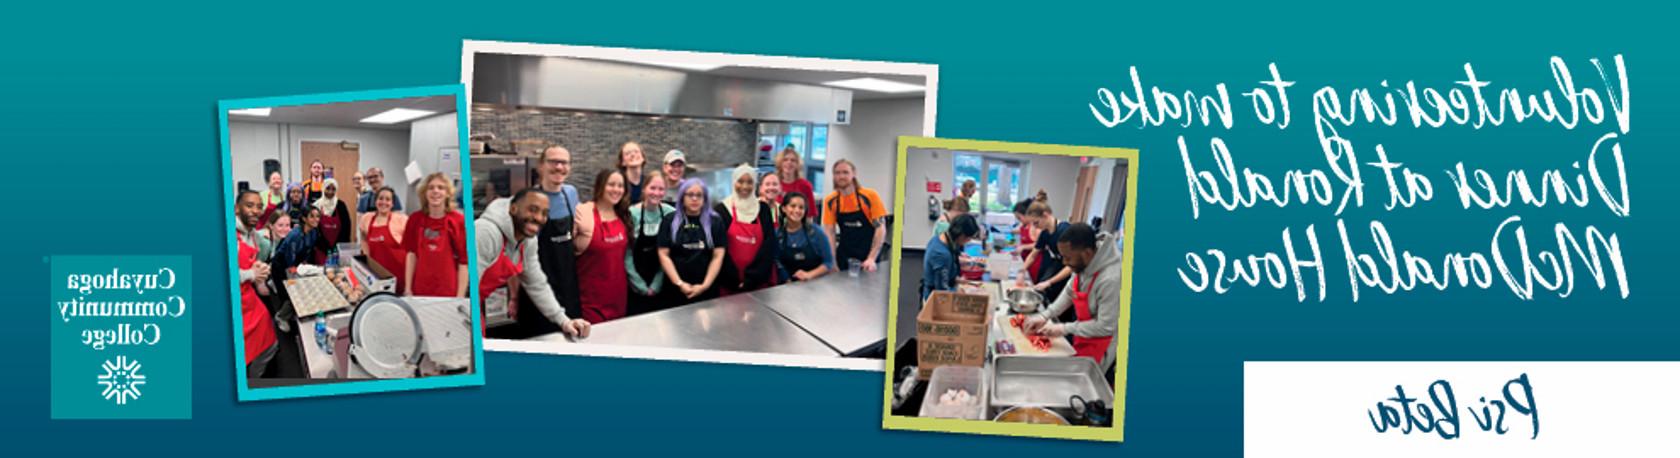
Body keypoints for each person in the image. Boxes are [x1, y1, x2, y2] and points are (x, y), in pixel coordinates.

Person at [476, 189, 592, 339]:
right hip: (457, 304)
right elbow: (469, 286)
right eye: (532, 210)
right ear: (513, 209)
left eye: (544, 213)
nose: (538, 218)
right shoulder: (486, 232)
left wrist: (564, 321)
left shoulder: (528, 241)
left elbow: (537, 284)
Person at [1023, 223, 1122, 368]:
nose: (1064, 262)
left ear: (1087, 253)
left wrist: (1063, 328)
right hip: (1083, 334)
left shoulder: (1111, 278)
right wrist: (1045, 315)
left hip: (1102, 344)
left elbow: (1105, 327)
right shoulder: (1084, 263)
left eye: (1067, 257)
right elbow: (1070, 291)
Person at [573, 169, 631, 323]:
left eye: (620, 186)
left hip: (618, 298)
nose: (616, 189)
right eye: (611, 184)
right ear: (600, 186)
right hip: (590, 301)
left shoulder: (623, 214)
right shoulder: (583, 212)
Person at [657, 178, 728, 304]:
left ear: (705, 199)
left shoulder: (715, 222)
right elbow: (663, 254)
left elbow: (718, 256)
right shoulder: (669, 221)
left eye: (699, 195)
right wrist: (680, 283)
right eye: (690, 195)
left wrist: (705, 286)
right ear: (682, 198)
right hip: (675, 291)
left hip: (707, 290)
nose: (694, 199)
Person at [533, 145, 584, 320]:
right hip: (541, 286)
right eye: (553, 162)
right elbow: (518, 253)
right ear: (541, 166)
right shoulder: (530, 199)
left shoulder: (571, 193)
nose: (559, 167)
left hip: (569, 282)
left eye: (564, 163)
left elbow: (576, 230)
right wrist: (514, 296)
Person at [234, 190, 279, 378]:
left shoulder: (252, 235)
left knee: (270, 342)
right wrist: (251, 274)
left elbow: (246, 261)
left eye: (259, 206)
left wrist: (257, 267)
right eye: (249, 205)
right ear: (237, 209)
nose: (255, 211)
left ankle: (253, 380)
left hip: (247, 296)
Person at [404, 173, 468, 298]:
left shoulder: (458, 221)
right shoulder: (415, 219)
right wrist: (408, 288)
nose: (435, 191)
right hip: (420, 289)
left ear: (448, 193)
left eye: (441, 187)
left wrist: (459, 298)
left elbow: (464, 262)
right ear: (424, 193)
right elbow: (411, 255)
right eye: (431, 188)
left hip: (448, 290)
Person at [718, 164, 777, 293]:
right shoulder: (722, 210)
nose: (745, 186)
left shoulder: (763, 209)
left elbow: (769, 247)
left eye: (749, 182)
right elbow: (719, 250)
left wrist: (752, 278)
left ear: (755, 184)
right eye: (740, 181)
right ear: (734, 182)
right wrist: (735, 280)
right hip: (729, 285)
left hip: (758, 284)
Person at [821, 159, 888, 272]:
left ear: (854, 174)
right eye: (837, 173)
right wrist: (832, 262)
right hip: (844, 255)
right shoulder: (831, 201)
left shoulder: (870, 196)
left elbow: (880, 228)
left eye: (845, 172)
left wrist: (871, 258)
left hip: (868, 256)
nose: (841, 176)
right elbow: (830, 233)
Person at [626, 170, 675, 315]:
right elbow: (627, 254)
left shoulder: (670, 213)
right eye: (652, 188)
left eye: (661, 189)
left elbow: (668, 253)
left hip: (660, 283)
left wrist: (656, 285)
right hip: (635, 284)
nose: (656, 193)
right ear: (644, 189)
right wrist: (639, 285)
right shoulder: (631, 214)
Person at [1021, 201, 1074, 311]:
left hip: (1066, 273)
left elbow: (1071, 266)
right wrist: (1022, 271)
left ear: (1045, 215)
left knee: (1059, 306)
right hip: (1053, 266)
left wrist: (1049, 282)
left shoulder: (1065, 230)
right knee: (1042, 295)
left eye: (1036, 223)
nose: (1035, 227)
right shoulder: (1045, 233)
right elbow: (1033, 255)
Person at [774, 192, 834, 283]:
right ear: (784, 209)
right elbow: (776, 261)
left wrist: (809, 275)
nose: (797, 210)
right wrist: (786, 279)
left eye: (801, 207)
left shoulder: (816, 232)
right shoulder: (777, 235)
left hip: (815, 285)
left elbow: (828, 262)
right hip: (787, 287)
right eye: (793, 206)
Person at [921, 213, 983, 301]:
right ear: (961, 235)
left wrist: (957, 280)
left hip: (942, 290)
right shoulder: (941, 254)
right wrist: (960, 292)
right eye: (968, 239)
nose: (968, 242)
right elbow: (942, 291)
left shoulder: (942, 239)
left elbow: (946, 273)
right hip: (934, 299)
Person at [359, 186, 408, 292]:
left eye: (388, 199)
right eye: (380, 198)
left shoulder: (401, 220)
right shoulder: (367, 219)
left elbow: (412, 248)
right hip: (377, 275)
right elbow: (363, 238)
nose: (384, 202)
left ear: (392, 203)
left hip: (398, 276)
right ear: (375, 201)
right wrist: (367, 259)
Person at [313, 178, 352, 262]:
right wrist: (325, 247)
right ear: (323, 188)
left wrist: (337, 246)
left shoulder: (341, 205)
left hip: (338, 249)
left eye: (333, 189)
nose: (330, 192)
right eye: (328, 188)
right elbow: (313, 228)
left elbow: (346, 228)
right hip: (321, 249)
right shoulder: (316, 206)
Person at [776, 147, 815, 215]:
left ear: (798, 164)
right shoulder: (773, 184)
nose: (789, 162)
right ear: (780, 163)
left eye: (793, 160)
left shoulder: (805, 186)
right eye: (785, 160)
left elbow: (810, 214)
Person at [1013, 199, 1042, 282]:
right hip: (1025, 260)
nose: (1019, 220)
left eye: (1019, 217)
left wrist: (1023, 247)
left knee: (1030, 282)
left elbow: (1040, 244)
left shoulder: (1034, 227)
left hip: (1034, 263)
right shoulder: (1023, 226)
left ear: (1027, 215)